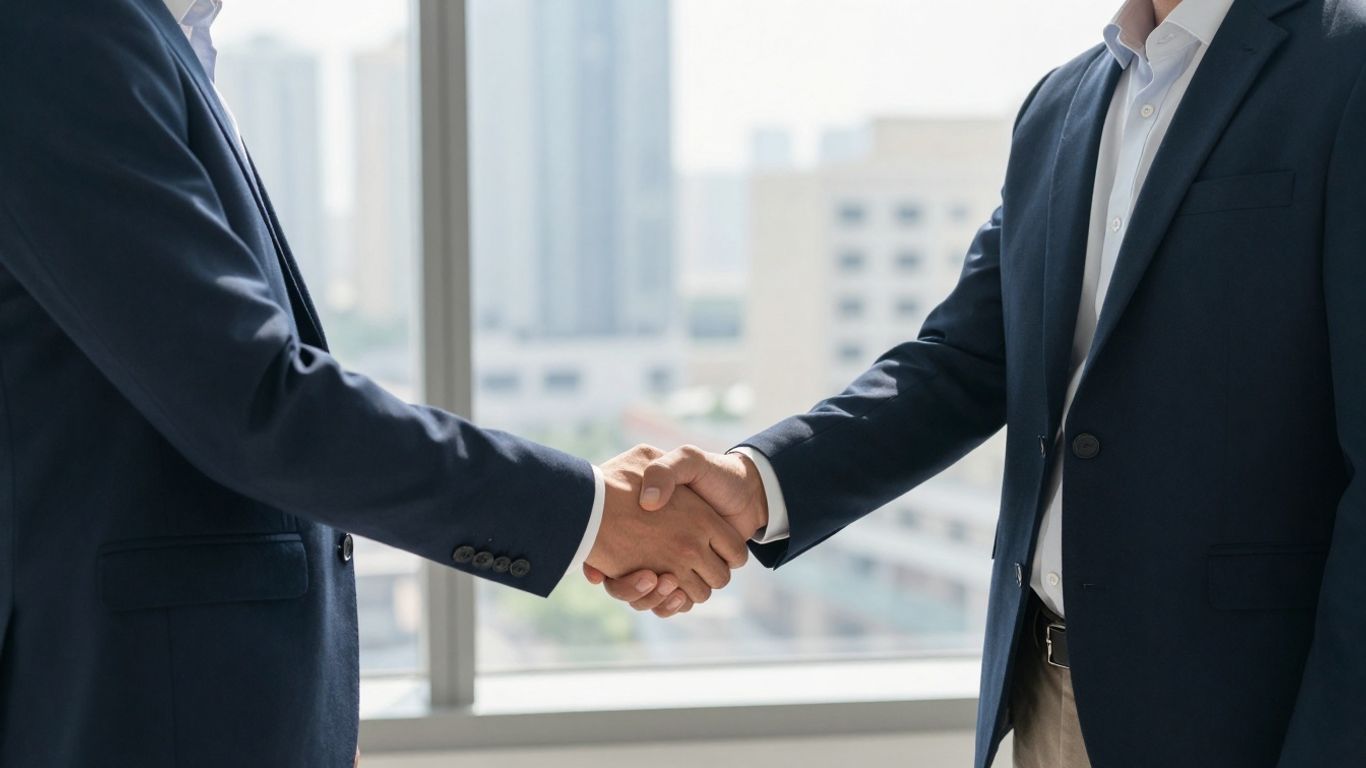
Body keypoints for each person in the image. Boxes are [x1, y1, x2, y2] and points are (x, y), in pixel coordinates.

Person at [590, 0, 1366, 765]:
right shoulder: (1060, 105)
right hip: (1043, 694)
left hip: (1249, 714)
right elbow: (963, 361)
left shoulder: (1346, 63)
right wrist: (755, 483)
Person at [0, 0, 745, 765]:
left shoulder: (157, 37)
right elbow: (253, 399)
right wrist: (587, 512)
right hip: (144, 718)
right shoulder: (64, 27)